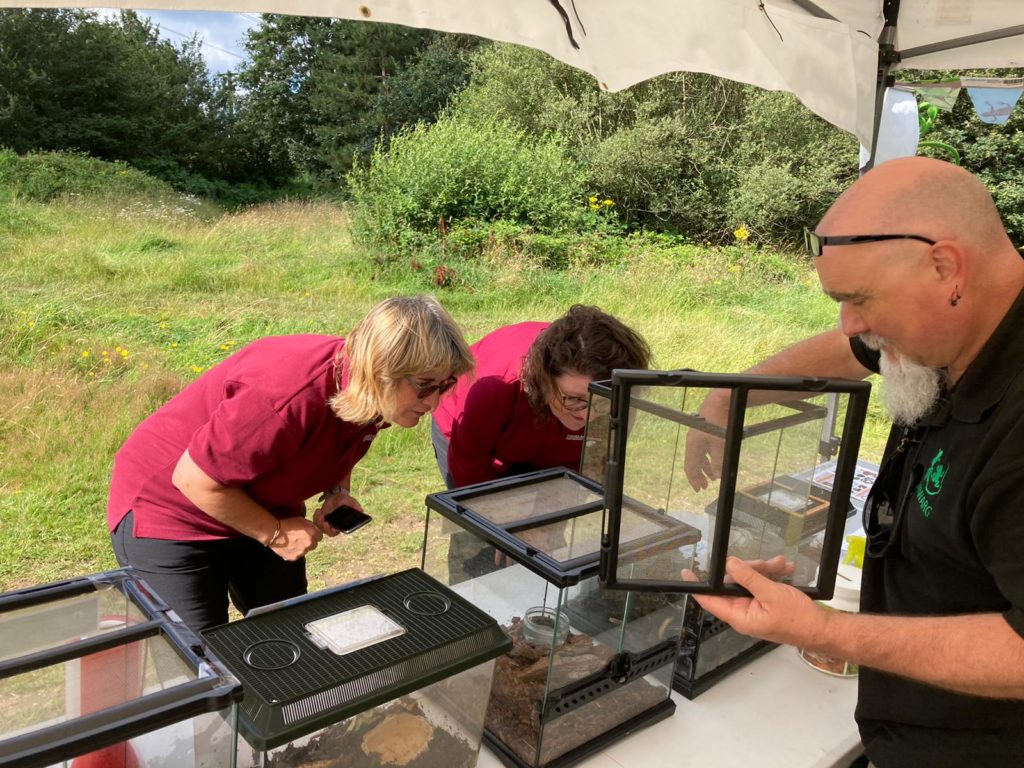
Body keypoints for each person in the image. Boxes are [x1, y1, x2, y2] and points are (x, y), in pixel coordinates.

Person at [683, 157, 1024, 767]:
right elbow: (845, 352)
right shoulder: (957, 328)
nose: (851, 323)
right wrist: (726, 397)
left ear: (947, 268)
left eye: (859, 298)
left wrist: (821, 630)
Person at [108, 295, 473, 631]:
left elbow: (344, 436)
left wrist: (337, 490)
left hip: (260, 503)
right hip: (172, 513)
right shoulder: (284, 395)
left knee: (286, 633)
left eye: (445, 385)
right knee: (201, 661)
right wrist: (276, 533)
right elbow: (193, 479)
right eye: (425, 385)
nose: (434, 401)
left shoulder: (370, 390)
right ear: (382, 369)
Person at [431, 304, 651, 488]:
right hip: (468, 426)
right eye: (574, 399)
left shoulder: (618, 401)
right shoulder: (496, 388)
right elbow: (470, 476)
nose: (587, 415)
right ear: (544, 381)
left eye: (602, 401)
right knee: (479, 534)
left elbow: (590, 472)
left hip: (540, 442)